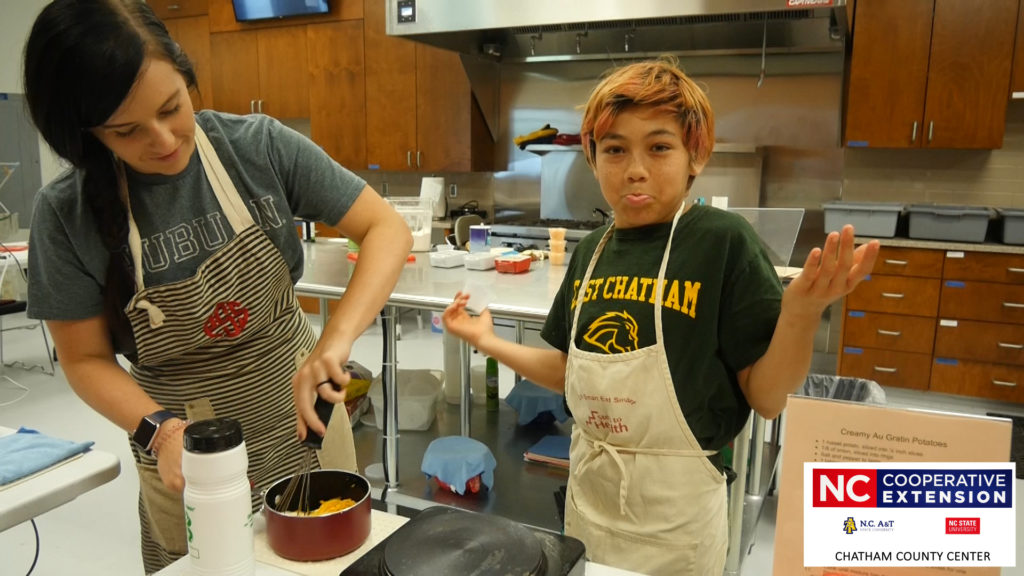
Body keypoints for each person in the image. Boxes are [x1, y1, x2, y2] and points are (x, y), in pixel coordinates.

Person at [443, 57, 880, 575]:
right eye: (615, 149)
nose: (635, 168)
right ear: (591, 156)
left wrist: (801, 314)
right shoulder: (593, 253)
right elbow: (570, 373)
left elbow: (766, 398)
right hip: (593, 498)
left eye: (659, 147)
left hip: (678, 516)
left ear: (695, 155)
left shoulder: (722, 243)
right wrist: (486, 340)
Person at [22, 0, 412, 572]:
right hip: (189, 461)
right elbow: (84, 360)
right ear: (85, 134)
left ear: (185, 75)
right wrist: (161, 430)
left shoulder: (255, 148)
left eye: (172, 107)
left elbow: (386, 227)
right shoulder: (65, 213)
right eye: (126, 131)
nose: (161, 139)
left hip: (304, 423)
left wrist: (334, 342)